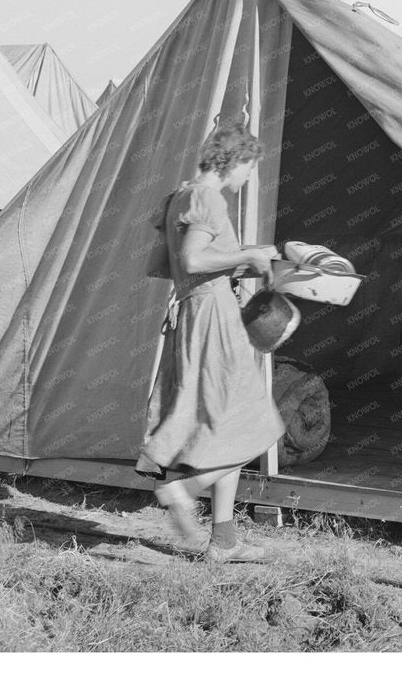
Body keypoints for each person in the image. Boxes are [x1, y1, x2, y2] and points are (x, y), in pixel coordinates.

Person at [136, 122, 285, 562]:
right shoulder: (208, 198)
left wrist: (239, 265)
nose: (246, 181)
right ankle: (184, 491)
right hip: (214, 319)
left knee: (226, 423)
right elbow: (195, 258)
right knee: (255, 422)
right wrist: (247, 256)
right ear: (234, 160)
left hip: (192, 314)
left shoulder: (178, 197)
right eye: (248, 169)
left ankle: (224, 541)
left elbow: (162, 266)